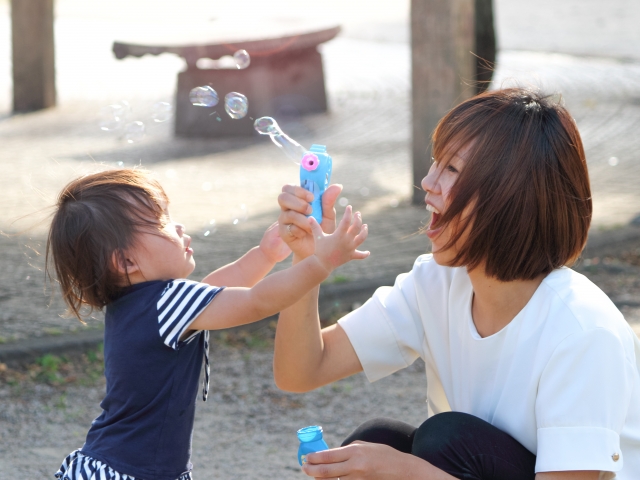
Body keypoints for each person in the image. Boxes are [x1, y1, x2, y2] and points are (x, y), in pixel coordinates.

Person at [274, 88, 640, 480]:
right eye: (436, 163)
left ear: (510, 196)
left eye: (451, 170)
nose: (427, 182)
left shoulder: (582, 332)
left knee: (443, 439)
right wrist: (307, 262)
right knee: (377, 439)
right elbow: (300, 370)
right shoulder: (437, 283)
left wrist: (405, 471)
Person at [46, 168, 369, 480]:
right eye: (161, 222)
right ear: (126, 262)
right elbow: (257, 300)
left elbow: (217, 291)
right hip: (129, 471)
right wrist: (321, 262)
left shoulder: (139, 302)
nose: (179, 226)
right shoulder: (166, 301)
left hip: (113, 461)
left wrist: (266, 253)